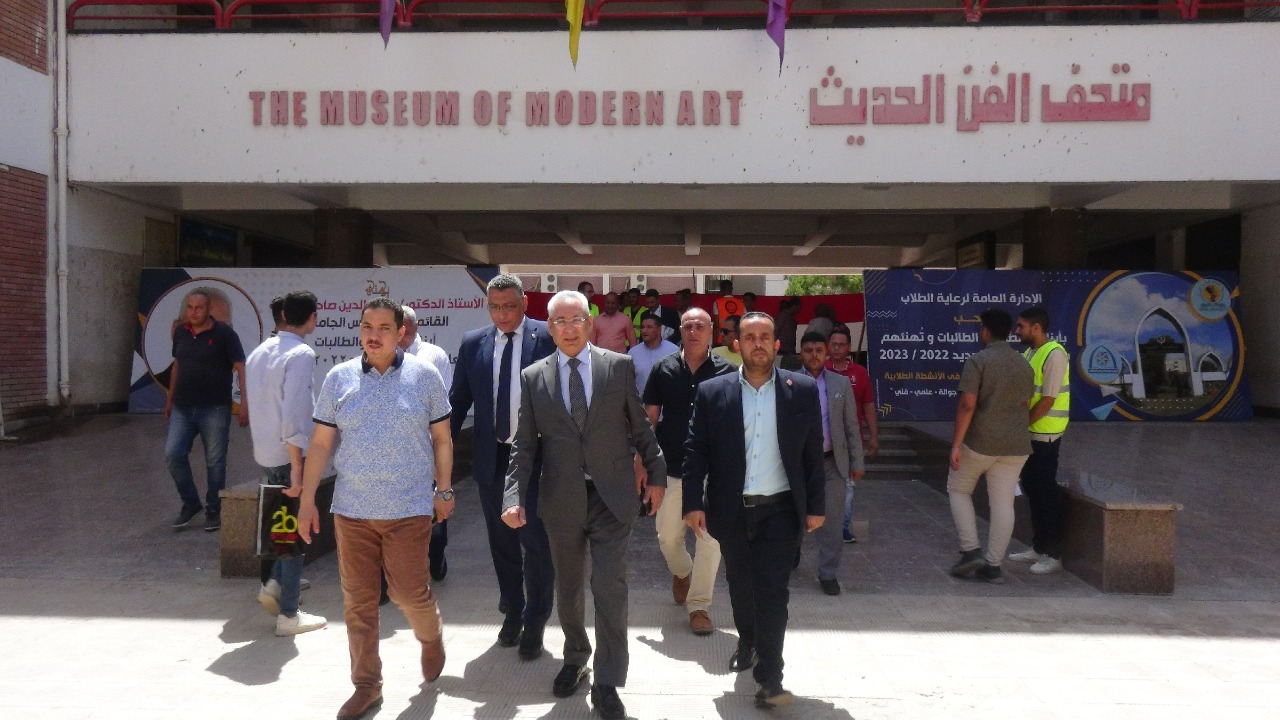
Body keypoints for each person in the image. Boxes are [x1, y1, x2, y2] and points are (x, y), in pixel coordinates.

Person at [502, 290, 666, 720]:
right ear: (549, 327)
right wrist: (513, 496)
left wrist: (657, 474)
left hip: (612, 497)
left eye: (576, 319)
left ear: (589, 324)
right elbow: (524, 446)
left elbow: (642, 428)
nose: (569, 328)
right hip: (562, 500)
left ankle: (608, 681)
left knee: (610, 588)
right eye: (560, 321)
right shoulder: (533, 377)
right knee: (569, 588)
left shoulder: (618, 367)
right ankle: (576, 657)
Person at [297, 298, 455, 720]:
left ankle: (431, 635)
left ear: (401, 332)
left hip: (408, 508)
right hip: (352, 510)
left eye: (384, 327)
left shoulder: (424, 376)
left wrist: (443, 490)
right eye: (367, 326)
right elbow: (321, 443)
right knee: (359, 603)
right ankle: (367, 686)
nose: (373, 334)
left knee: (408, 593)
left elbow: (442, 438)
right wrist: (308, 500)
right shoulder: (339, 378)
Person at [682, 311, 825, 708]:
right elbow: (696, 451)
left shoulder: (801, 390)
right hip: (731, 510)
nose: (758, 343)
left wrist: (815, 505)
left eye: (765, 336)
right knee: (741, 586)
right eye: (749, 337)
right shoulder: (713, 392)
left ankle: (770, 677)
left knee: (773, 592)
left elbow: (813, 453)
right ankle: (747, 641)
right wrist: (692, 502)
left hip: (781, 510)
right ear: (737, 344)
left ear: (777, 345)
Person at [449, 274, 557, 659]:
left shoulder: (547, 337)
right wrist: (438, 451)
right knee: (502, 541)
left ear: (524, 303)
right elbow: (458, 401)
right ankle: (513, 609)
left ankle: (536, 619)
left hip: (536, 458)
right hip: (491, 457)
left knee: (536, 542)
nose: (502, 314)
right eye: (495, 307)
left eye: (510, 306)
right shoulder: (473, 343)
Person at [641, 307, 733, 635]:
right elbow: (650, 418)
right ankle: (682, 572)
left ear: (711, 331)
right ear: (679, 330)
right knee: (667, 537)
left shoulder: (728, 372)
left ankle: (699, 606)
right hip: (671, 467)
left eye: (700, 326)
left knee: (710, 540)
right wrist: (643, 460)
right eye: (688, 326)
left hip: (713, 471)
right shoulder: (663, 369)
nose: (694, 332)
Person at [244, 290, 327, 636]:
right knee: (295, 532)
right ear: (311, 318)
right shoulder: (301, 353)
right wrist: (297, 464)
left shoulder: (259, 352)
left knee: (284, 526)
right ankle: (289, 614)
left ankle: (275, 584)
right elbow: (294, 413)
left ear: (281, 316)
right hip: (288, 454)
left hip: (265, 452)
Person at [946, 308, 1034, 585]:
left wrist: (956, 444)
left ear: (985, 331)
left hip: (980, 441)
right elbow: (1026, 403)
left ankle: (970, 550)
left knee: (958, 489)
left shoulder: (978, 361)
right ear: (1008, 332)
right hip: (1016, 445)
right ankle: (994, 566)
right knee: (1003, 504)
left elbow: (967, 404)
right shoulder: (1025, 364)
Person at [165, 287, 248, 533]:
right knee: (173, 454)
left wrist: (244, 402)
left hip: (215, 408)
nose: (193, 312)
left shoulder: (225, 334)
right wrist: (169, 399)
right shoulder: (181, 332)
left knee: (215, 462)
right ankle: (191, 503)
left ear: (208, 309)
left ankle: (214, 510)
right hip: (182, 407)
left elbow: (240, 367)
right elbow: (177, 365)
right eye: (190, 308)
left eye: (199, 308)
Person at [798, 331, 865, 595]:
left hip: (831, 462)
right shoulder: (788, 381)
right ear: (801, 354)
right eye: (808, 351)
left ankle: (828, 573)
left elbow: (851, 425)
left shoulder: (840, 384)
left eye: (818, 350)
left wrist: (857, 460)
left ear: (826, 352)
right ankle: (790, 554)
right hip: (798, 463)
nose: (814, 355)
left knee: (834, 521)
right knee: (792, 515)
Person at [1010, 306, 1070, 575]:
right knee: (1032, 490)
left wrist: (1021, 426)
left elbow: (1047, 400)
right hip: (1031, 434)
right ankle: (1038, 546)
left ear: (1036, 327)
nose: (1017, 331)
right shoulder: (1029, 353)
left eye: (1021, 326)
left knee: (1045, 492)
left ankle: (1053, 554)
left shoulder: (1054, 354)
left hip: (1046, 435)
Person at [400, 304, 454, 580]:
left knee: (435, 512)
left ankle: (436, 557)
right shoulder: (382, 356)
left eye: (407, 330)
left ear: (415, 327)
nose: (402, 335)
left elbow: (445, 403)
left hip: (429, 445)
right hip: (397, 449)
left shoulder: (433, 356)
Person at [824, 326, 879, 543]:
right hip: (824, 441)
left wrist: (873, 435)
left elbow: (868, 405)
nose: (837, 348)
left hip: (849, 440)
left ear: (849, 347)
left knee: (848, 485)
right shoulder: (820, 370)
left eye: (841, 345)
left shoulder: (859, 373)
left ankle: (843, 528)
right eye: (833, 344)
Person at [400, 305, 453, 388]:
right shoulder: (384, 356)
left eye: (406, 333)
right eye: (398, 333)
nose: (400, 338)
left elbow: (445, 391)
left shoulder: (436, 355)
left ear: (415, 327)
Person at [627, 314, 679, 395]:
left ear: (659, 329)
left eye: (649, 327)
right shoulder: (633, 353)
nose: (644, 331)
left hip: (666, 400)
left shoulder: (673, 350)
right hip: (640, 400)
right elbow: (628, 381)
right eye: (642, 327)